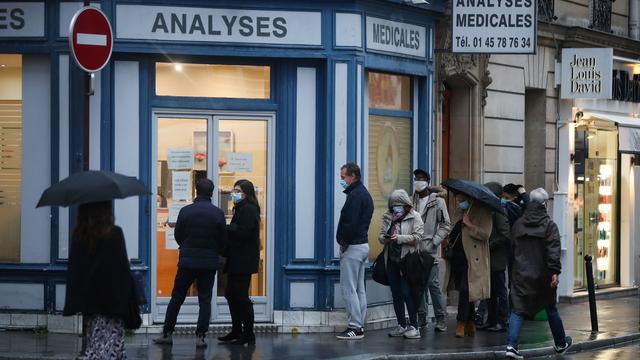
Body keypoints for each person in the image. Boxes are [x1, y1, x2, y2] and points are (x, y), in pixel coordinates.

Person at [154, 178, 226, 348]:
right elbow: (223, 240)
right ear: (212, 193)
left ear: (196, 191)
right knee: (205, 299)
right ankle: (200, 336)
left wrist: (187, 247)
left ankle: (167, 333)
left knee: (177, 297)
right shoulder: (218, 213)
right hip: (208, 263)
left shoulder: (186, 211)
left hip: (187, 262)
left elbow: (178, 234)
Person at [505, 188, 572, 359]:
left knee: (517, 310)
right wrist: (555, 272)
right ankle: (560, 343)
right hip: (543, 275)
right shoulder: (549, 225)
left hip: (521, 273)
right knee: (550, 307)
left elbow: (512, 250)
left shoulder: (519, 224)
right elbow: (553, 251)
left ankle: (511, 347)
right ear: (544, 204)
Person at [64, 201, 134, 359]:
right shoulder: (115, 233)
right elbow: (121, 272)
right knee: (111, 348)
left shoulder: (80, 234)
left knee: (93, 344)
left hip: (89, 303)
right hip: (112, 304)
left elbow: (75, 270)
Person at [218, 179, 261, 346]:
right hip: (237, 259)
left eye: (237, 190)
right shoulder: (241, 209)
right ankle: (237, 330)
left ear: (246, 193)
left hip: (243, 260)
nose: (233, 193)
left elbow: (243, 233)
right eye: (233, 190)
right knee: (231, 294)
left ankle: (248, 333)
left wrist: (228, 229)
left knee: (241, 297)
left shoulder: (249, 210)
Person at [444, 192, 492, 338]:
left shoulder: (483, 212)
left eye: (461, 199)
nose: (458, 201)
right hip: (458, 258)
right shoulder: (460, 211)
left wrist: (470, 224)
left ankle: (461, 323)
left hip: (472, 259)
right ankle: (470, 323)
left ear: (469, 197)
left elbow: (485, 234)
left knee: (466, 290)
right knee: (465, 291)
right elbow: (455, 229)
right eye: (457, 198)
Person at [335, 163, 374, 340]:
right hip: (362, 245)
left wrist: (343, 242)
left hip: (353, 247)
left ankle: (355, 327)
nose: (341, 180)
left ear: (353, 176)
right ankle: (360, 325)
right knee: (359, 289)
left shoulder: (355, 196)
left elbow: (350, 223)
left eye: (343, 177)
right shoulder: (364, 194)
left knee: (348, 288)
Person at [380, 189, 425, 339]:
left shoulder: (415, 217)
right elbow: (381, 236)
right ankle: (401, 325)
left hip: (407, 261)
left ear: (406, 205)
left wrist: (400, 238)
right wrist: (385, 238)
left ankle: (414, 326)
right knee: (396, 293)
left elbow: (418, 237)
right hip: (392, 260)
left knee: (407, 292)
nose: (395, 208)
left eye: (398, 205)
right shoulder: (388, 216)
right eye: (393, 205)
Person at [412, 169, 451, 332]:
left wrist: (434, 242)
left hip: (430, 249)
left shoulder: (437, 202)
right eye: (415, 179)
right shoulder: (410, 201)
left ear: (427, 182)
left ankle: (440, 318)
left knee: (433, 284)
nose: (417, 181)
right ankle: (421, 318)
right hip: (413, 249)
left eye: (421, 179)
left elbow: (446, 225)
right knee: (417, 285)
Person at [476, 182, 510, 333]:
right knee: (490, 291)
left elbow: (505, 234)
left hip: (497, 258)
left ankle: (502, 321)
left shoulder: (499, 211)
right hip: (490, 257)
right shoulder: (491, 209)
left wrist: (489, 246)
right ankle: (491, 320)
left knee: (500, 290)